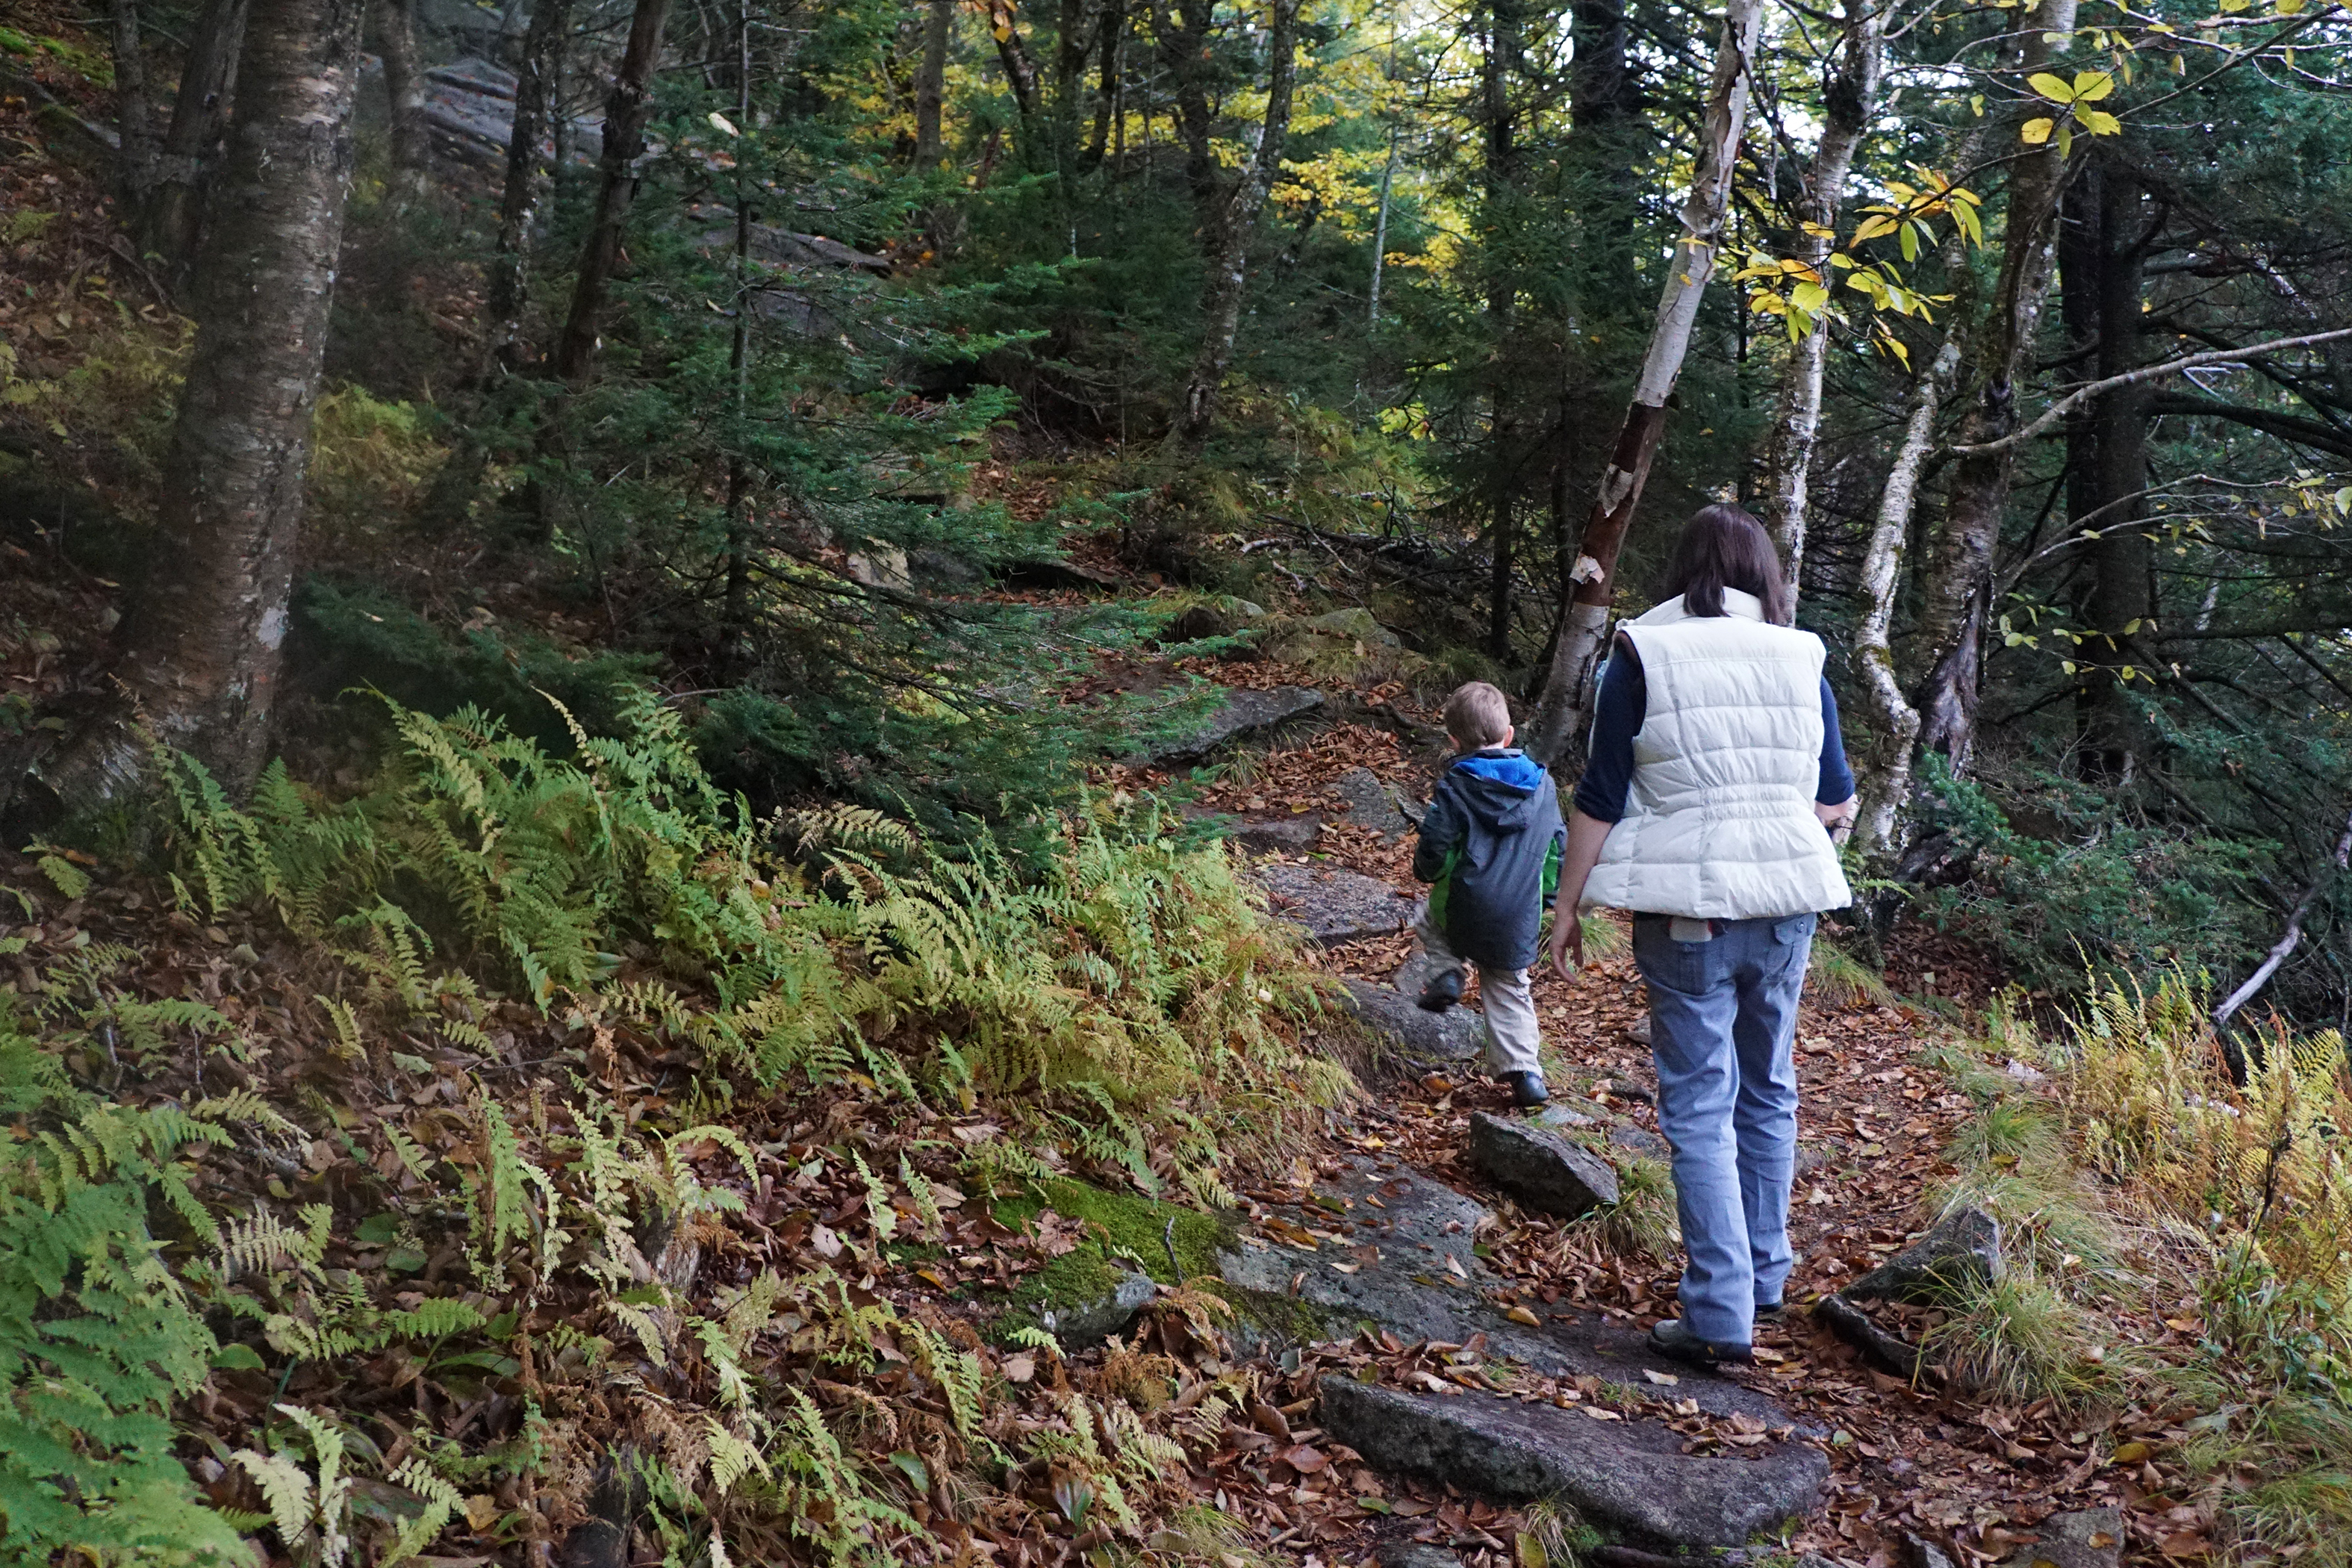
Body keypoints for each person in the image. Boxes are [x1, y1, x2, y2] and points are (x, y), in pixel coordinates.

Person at [1549, 503, 1858, 1369]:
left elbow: (1602, 796)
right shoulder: (1805, 657)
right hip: (1787, 902)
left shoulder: (1646, 655)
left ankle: (1720, 1310)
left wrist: (1568, 906)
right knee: (1769, 1087)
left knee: (1699, 1104)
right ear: (1764, 573)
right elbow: (1836, 796)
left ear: (1683, 571)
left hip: (1690, 909)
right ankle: (1766, 1274)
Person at [1410, 680, 1566, 1109]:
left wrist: (1429, 872)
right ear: (1509, 735)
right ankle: (1526, 1075)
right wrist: (1548, 897)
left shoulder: (1456, 785)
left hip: (1464, 905)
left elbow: (1436, 848)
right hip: (1518, 913)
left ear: (1454, 741)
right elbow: (1556, 849)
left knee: (1428, 919)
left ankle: (1448, 972)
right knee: (1510, 987)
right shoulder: (1543, 787)